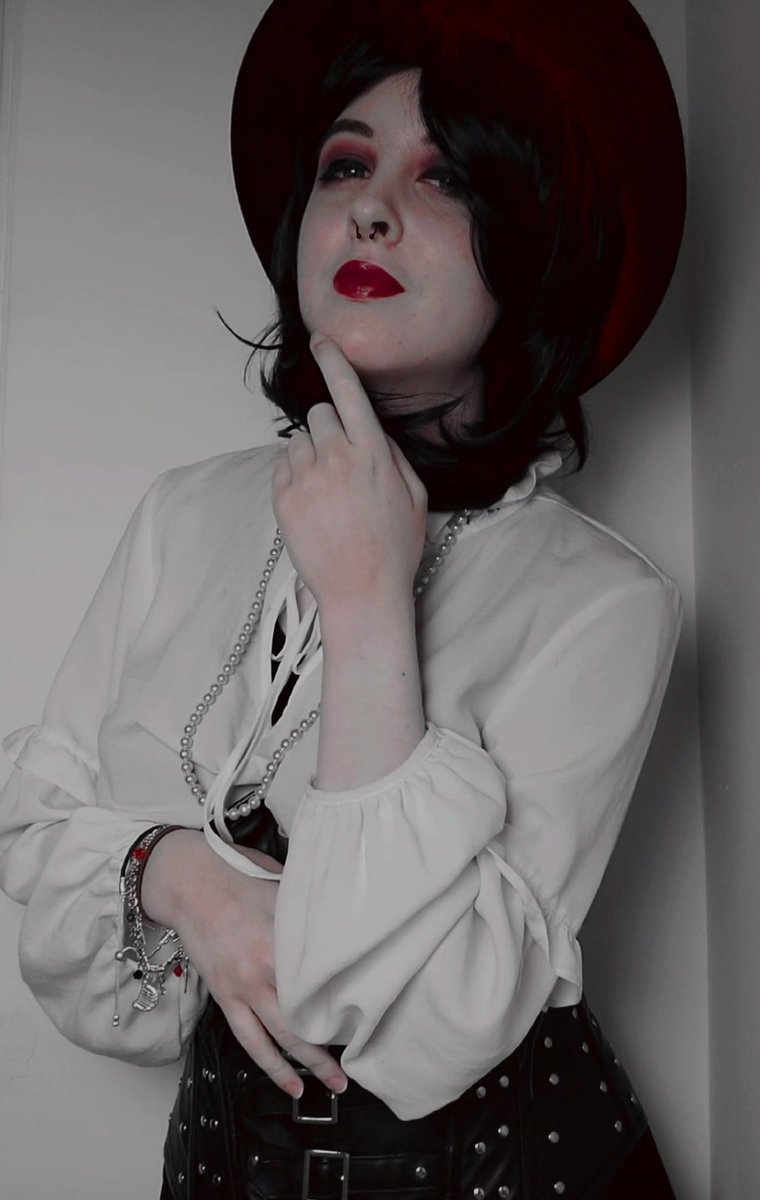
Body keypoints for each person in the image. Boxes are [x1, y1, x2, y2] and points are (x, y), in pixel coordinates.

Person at [0, 1, 687, 1196]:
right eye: (346, 164)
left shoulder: (603, 603)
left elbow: (423, 1034)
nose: (370, 209)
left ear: (533, 248)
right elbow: (37, 820)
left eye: (445, 178)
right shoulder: (184, 513)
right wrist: (184, 877)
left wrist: (368, 600)